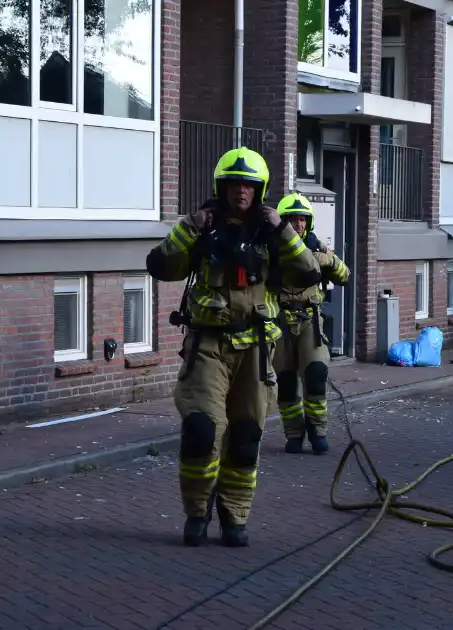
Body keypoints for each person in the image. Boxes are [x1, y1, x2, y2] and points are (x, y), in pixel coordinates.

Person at [146, 147, 322, 548]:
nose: (240, 192)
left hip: (256, 352)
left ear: (258, 190)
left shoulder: (273, 233)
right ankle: (196, 511)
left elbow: (309, 271)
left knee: (245, 437)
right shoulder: (203, 229)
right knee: (201, 429)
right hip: (208, 346)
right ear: (220, 187)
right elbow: (159, 265)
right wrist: (188, 227)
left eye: (248, 185)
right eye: (233, 184)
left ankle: (233, 514)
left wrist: (283, 229)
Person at [271, 193, 351, 455]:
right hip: (281, 321)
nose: (299, 225)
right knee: (285, 382)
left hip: (309, 322)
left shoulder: (318, 247)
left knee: (316, 374)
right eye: (293, 220)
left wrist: (328, 259)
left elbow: (344, 276)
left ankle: (318, 430)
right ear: (283, 222)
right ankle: (294, 432)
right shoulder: (272, 249)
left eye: (303, 219)